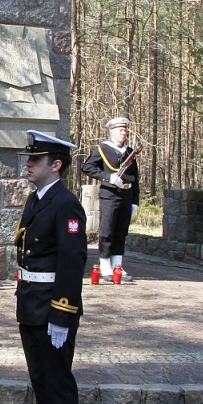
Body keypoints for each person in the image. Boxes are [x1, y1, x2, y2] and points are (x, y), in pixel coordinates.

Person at [11, 130, 88, 404]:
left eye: (35, 159)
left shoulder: (66, 204)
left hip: (53, 306)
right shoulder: (36, 199)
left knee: (57, 379)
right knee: (39, 377)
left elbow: (72, 263)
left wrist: (63, 313)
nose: (28, 164)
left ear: (55, 165)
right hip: (30, 300)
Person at [81, 117, 139, 282]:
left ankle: (117, 266)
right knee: (107, 230)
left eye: (125, 130)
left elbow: (135, 178)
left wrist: (135, 201)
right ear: (111, 131)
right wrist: (108, 177)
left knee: (121, 231)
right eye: (120, 130)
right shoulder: (103, 149)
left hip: (126, 196)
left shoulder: (130, 152)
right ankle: (105, 265)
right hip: (110, 195)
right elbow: (87, 167)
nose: (124, 133)